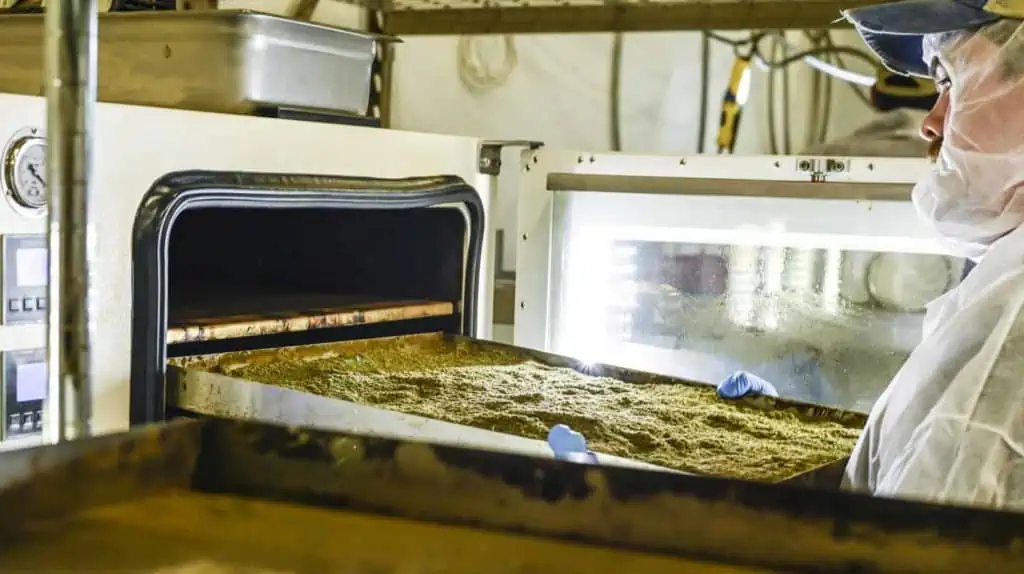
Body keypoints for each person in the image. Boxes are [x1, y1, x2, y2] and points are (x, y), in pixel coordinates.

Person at [722, 0, 1024, 511]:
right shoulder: (1001, 283)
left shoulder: (1013, 313)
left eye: (951, 81)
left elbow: (924, 547)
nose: (930, 123)